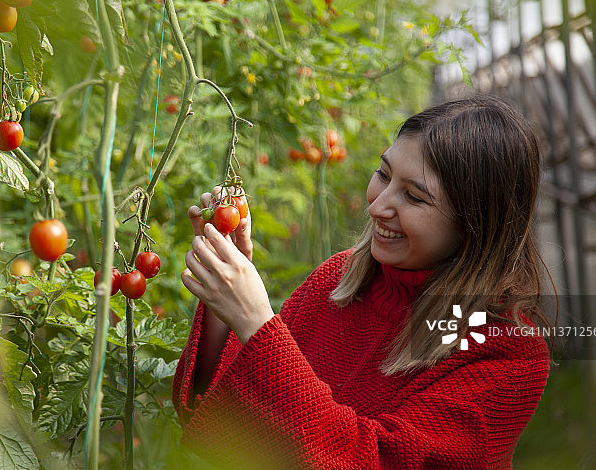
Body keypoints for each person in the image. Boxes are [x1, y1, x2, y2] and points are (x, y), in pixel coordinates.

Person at [174, 95, 553, 470]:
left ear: (474, 224)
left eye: (414, 197)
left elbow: (375, 461)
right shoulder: (337, 280)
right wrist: (226, 307)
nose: (377, 206)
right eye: (384, 174)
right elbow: (219, 411)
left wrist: (257, 323)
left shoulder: (507, 354)